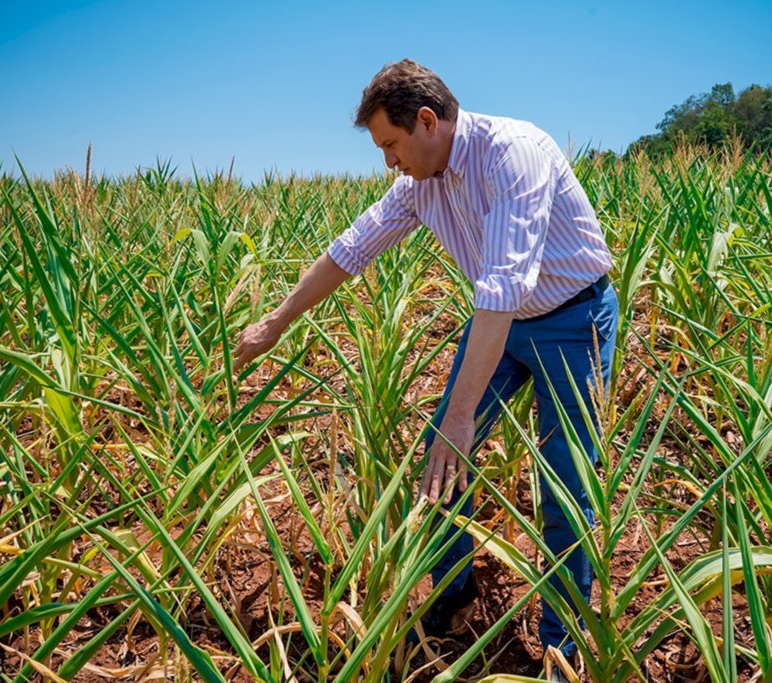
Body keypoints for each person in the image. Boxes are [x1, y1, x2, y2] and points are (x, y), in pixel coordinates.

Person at [233, 59, 617, 673]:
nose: (388, 161)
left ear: (428, 121)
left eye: (390, 144)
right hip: (501, 327)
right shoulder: (419, 183)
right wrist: (275, 322)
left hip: (573, 323)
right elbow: (350, 250)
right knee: (441, 460)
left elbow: (502, 287)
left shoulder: (513, 154)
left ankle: (559, 647)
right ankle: (453, 589)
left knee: (565, 488)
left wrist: (462, 415)